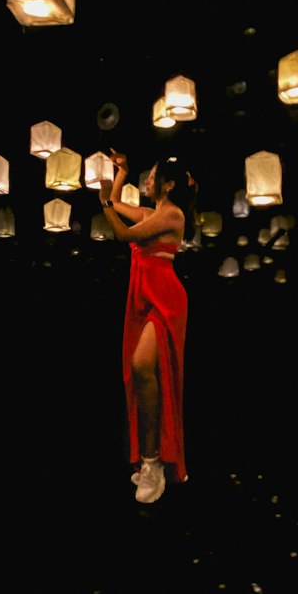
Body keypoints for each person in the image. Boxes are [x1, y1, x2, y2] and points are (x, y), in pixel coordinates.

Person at [99, 148, 196, 504]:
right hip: (144, 293)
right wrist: (120, 174)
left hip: (166, 299)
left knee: (143, 366)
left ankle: (154, 462)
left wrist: (106, 206)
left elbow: (123, 234)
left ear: (168, 185)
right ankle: (148, 457)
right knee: (138, 372)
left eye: (153, 176)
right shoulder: (154, 212)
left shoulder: (171, 214)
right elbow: (115, 202)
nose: (148, 180)